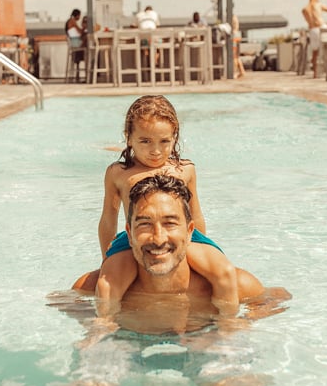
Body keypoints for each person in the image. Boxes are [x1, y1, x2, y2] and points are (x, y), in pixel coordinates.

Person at [88, 96, 242, 318]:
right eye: (145, 141)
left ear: (174, 138)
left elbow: (195, 213)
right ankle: (104, 329)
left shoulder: (185, 170)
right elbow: (108, 218)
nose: (156, 151)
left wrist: (198, 248)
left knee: (225, 272)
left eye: (164, 142)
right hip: (134, 239)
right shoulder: (118, 174)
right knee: (106, 285)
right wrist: (107, 259)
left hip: (184, 237)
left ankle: (228, 324)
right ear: (129, 138)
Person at [73, 174, 289, 328]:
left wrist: (242, 322)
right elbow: (63, 303)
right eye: (145, 224)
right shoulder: (96, 287)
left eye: (170, 223)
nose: (158, 239)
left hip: (203, 345)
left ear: (190, 231)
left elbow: (278, 297)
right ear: (128, 234)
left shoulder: (232, 284)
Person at [301, 0, 327, 79]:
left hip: (313, 29)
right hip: (322, 27)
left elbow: (308, 21)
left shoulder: (304, 9)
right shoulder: (318, 5)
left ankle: (315, 73)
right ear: (316, 0)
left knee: (315, 51)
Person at [231, 14, 245, 79]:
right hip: (237, 37)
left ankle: (235, 73)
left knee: (234, 58)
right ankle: (242, 72)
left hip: (234, 39)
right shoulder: (236, 18)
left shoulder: (232, 19)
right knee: (237, 57)